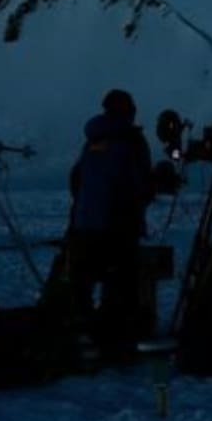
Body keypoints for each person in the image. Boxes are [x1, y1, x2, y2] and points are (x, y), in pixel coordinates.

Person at [65, 89, 154, 355]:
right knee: (120, 281)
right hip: (117, 224)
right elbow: (141, 182)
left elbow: (76, 178)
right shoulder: (131, 140)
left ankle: (80, 330)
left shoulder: (93, 139)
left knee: (83, 280)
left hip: (85, 223)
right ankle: (113, 336)